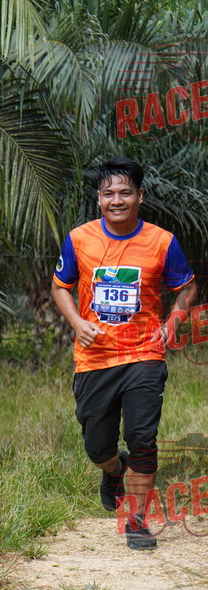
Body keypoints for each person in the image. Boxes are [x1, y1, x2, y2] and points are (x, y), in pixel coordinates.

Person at [51, 156, 196, 549]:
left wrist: (174, 321)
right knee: (97, 446)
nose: (117, 200)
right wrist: (77, 323)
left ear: (140, 196)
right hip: (94, 358)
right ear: (99, 199)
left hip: (144, 355)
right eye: (109, 193)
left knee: (142, 438)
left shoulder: (162, 241)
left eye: (125, 192)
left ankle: (136, 520)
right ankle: (114, 470)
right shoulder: (79, 239)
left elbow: (186, 287)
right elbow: (60, 287)